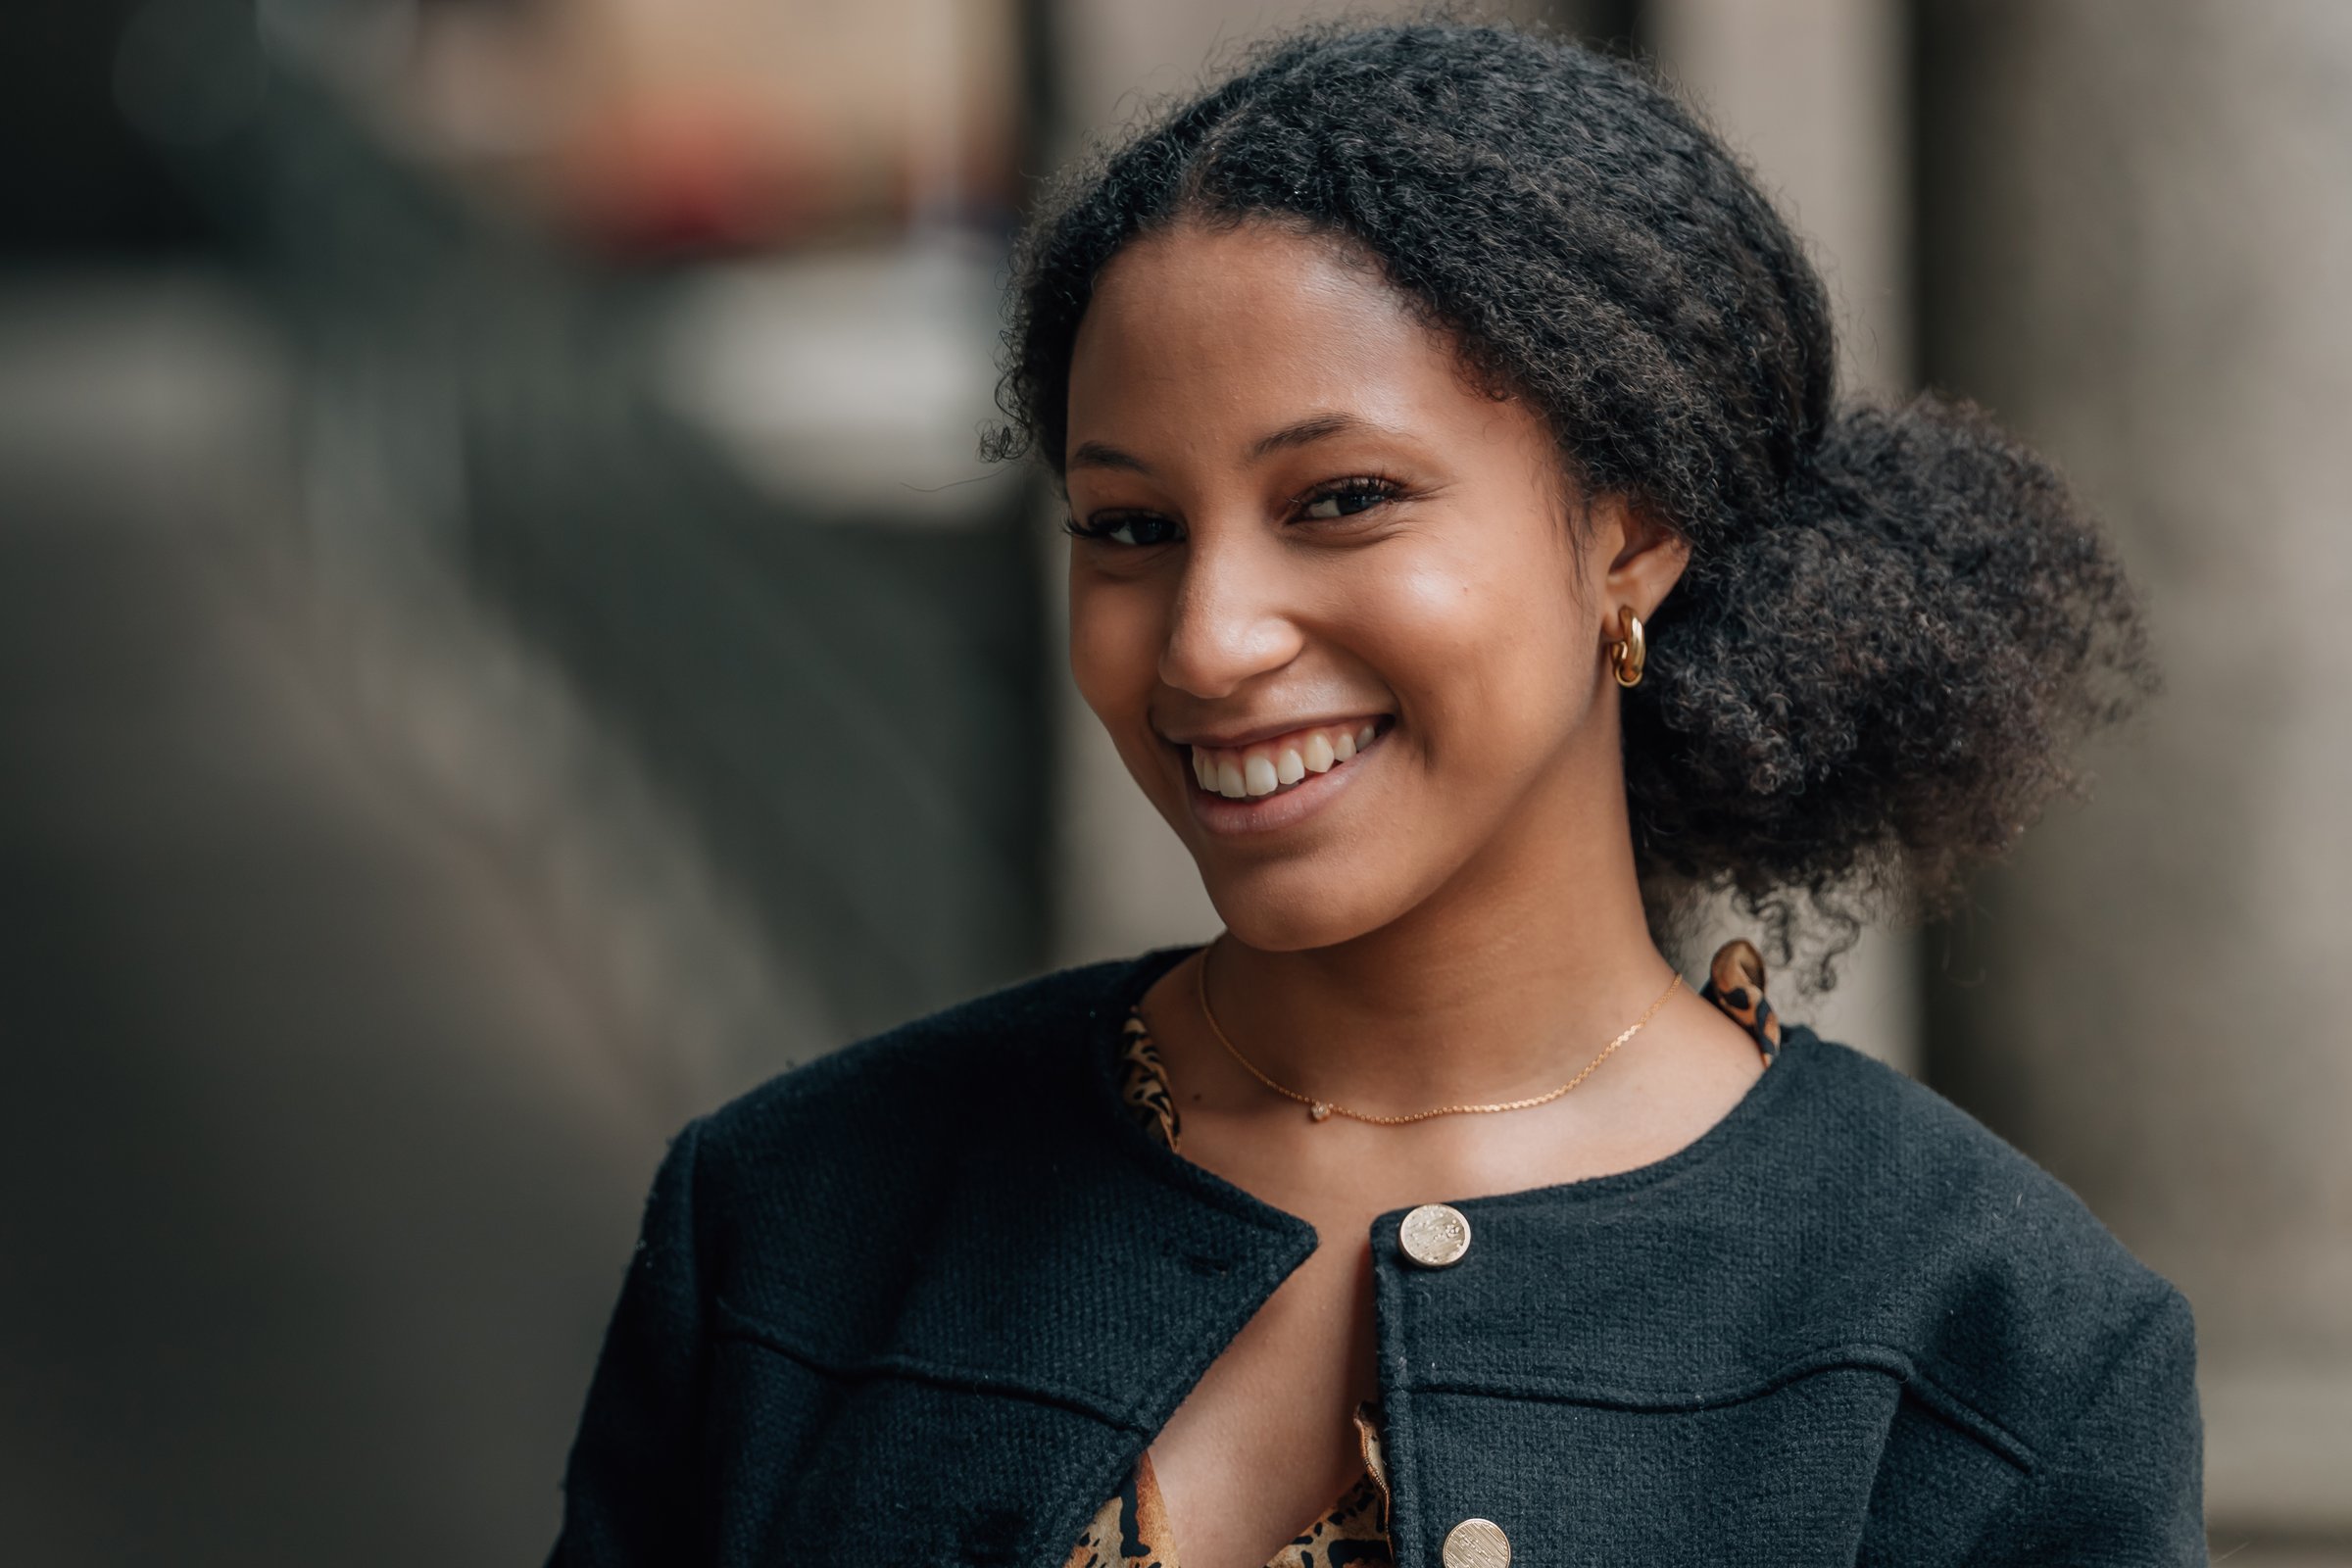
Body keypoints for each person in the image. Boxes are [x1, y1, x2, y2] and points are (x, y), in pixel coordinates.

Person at [547, 21, 2204, 1568]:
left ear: (1632, 532)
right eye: (1129, 528)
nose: (1208, 640)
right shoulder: (790, 1221)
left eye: (1340, 498)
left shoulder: (1999, 1344)